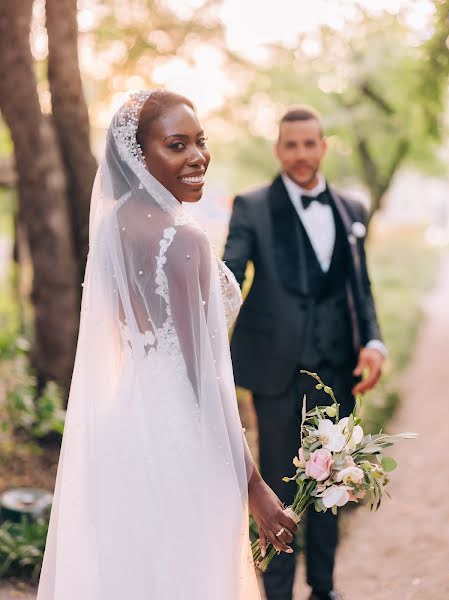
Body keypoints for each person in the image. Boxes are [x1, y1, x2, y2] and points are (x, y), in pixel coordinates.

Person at [36, 89, 298, 600]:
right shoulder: (184, 238)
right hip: (182, 434)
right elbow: (203, 377)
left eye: (200, 142)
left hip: (123, 426)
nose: (197, 157)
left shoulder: (112, 227)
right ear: (139, 155)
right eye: (176, 145)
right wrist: (255, 488)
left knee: (133, 571)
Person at [223, 106, 386, 600]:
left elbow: (360, 286)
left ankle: (324, 589)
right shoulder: (251, 206)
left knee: (335, 481)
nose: (300, 154)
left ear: (323, 147)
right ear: (278, 150)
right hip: (276, 372)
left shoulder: (351, 209)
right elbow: (229, 277)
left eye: (309, 144)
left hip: (338, 367)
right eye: (290, 145)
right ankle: (276, 594)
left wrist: (374, 342)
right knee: (277, 485)